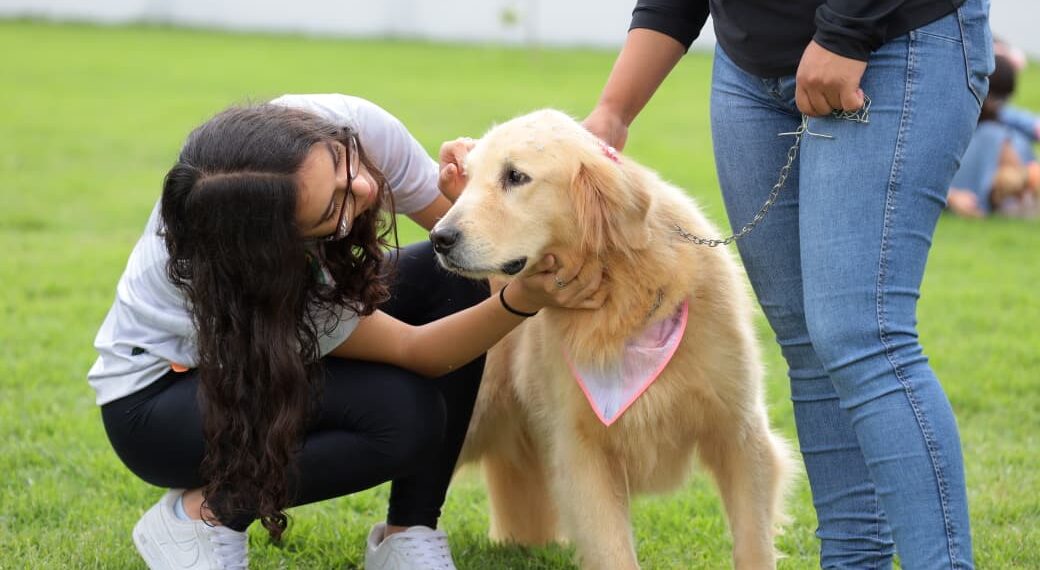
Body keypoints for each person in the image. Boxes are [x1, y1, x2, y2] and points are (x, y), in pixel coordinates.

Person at [88, 93, 605, 570]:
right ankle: (205, 515)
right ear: (283, 241)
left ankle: (410, 532)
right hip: (158, 406)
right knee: (403, 418)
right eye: (331, 211)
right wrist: (523, 301)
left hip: (263, 353)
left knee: (447, 278)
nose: (362, 187)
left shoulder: (353, 128)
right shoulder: (261, 270)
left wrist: (465, 197)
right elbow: (415, 350)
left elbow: (471, 247)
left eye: (340, 164)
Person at [584, 0, 991, 568]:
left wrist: (849, 30)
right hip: (748, 68)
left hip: (891, 40)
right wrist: (613, 111)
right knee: (807, 343)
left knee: (860, 334)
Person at [948, 52, 1040, 218]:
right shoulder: (990, 132)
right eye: (997, 99)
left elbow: (1029, 124)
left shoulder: (1000, 122)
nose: (998, 105)